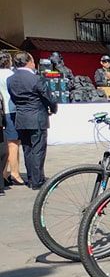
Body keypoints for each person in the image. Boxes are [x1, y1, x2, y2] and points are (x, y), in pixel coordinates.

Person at [7, 51, 58, 190]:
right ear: (28, 62)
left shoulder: (10, 80)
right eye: (33, 61)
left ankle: (31, 178)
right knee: (38, 150)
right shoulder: (36, 79)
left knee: (27, 149)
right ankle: (37, 180)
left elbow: (13, 97)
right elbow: (49, 97)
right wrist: (53, 109)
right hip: (37, 117)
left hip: (21, 117)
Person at [0, 52, 24, 187]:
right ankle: (14, 173)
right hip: (11, 111)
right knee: (13, 143)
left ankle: (4, 172)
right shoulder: (11, 75)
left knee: (4, 143)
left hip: (1, 111)